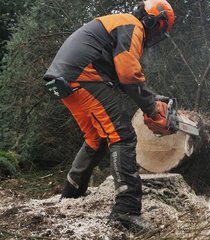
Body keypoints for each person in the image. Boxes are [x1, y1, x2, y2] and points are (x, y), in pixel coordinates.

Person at [42, 0, 175, 232]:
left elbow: (122, 77)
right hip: (83, 76)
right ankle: (126, 211)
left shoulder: (120, 24)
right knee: (123, 137)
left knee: (97, 138)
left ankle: (71, 196)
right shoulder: (132, 25)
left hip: (65, 81)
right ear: (155, 22)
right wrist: (151, 109)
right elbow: (128, 74)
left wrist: (151, 99)